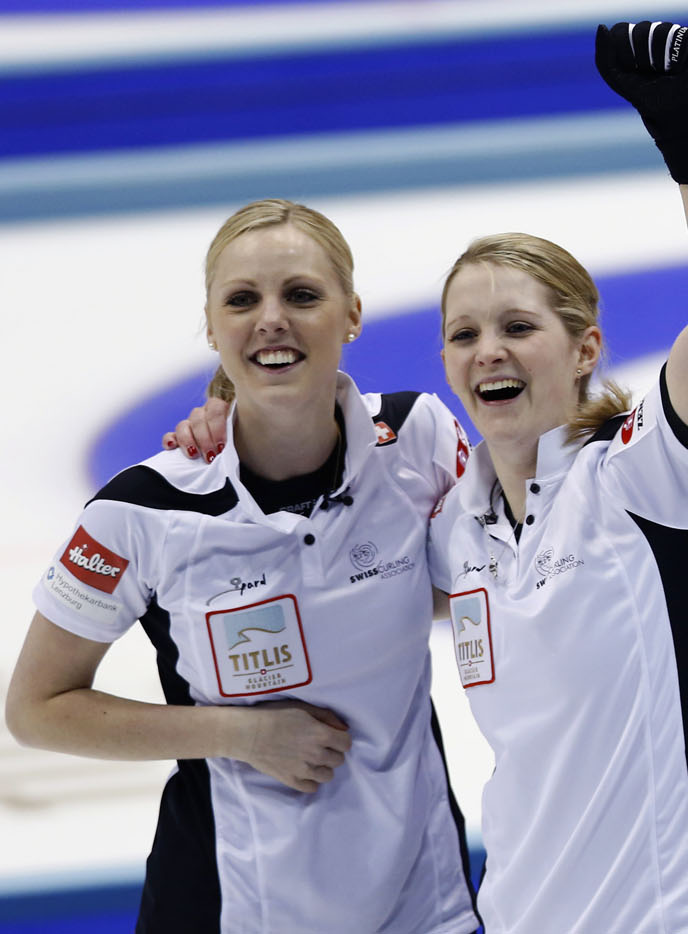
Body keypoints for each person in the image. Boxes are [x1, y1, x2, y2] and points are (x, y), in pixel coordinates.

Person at [5, 199, 479, 932]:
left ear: (352, 314)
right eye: (242, 300)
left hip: (422, 901)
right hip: (229, 904)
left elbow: (472, 577)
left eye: (301, 295)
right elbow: (36, 710)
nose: (271, 319)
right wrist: (241, 735)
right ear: (212, 326)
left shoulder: (418, 439)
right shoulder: (142, 510)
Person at [422, 21, 688, 934]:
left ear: (584, 348)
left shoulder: (642, 474)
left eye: (517, 327)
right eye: (464, 335)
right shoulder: (453, 527)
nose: (488, 352)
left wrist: (686, 137)